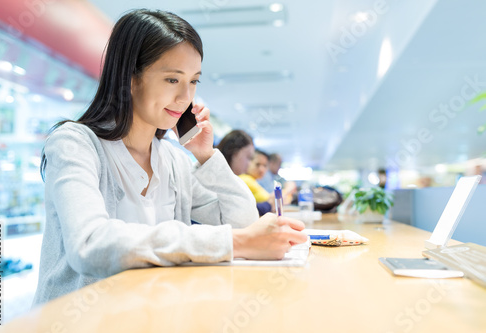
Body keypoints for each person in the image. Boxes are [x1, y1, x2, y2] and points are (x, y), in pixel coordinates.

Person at [33, 9, 307, 305]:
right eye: (172, 80)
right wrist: (233, 243)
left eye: (193, 81)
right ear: (130, 78)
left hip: (150, 316)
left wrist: (206, 155)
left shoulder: (173, 161)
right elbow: (90, 245)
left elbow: (242, 221)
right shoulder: (74, 143)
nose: (185, 97)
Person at [216, 130, 272, 216]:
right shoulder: (219, 181)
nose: (249, 163)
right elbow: (236, 212)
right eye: (248, 158)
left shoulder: (229, 179)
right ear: (234, 154)